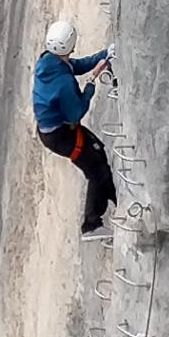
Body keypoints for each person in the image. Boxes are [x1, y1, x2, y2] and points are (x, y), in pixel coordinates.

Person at [33, 15, 115, 232]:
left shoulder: (47, 62)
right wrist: (90, 86)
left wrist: (103, 55)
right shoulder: (63, 83)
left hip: (55, 131)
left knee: (98, 153)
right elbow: (75, 113)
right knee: (96, 168)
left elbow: (75, 65)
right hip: (62, 135)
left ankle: (115, 198)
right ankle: (91, 225)